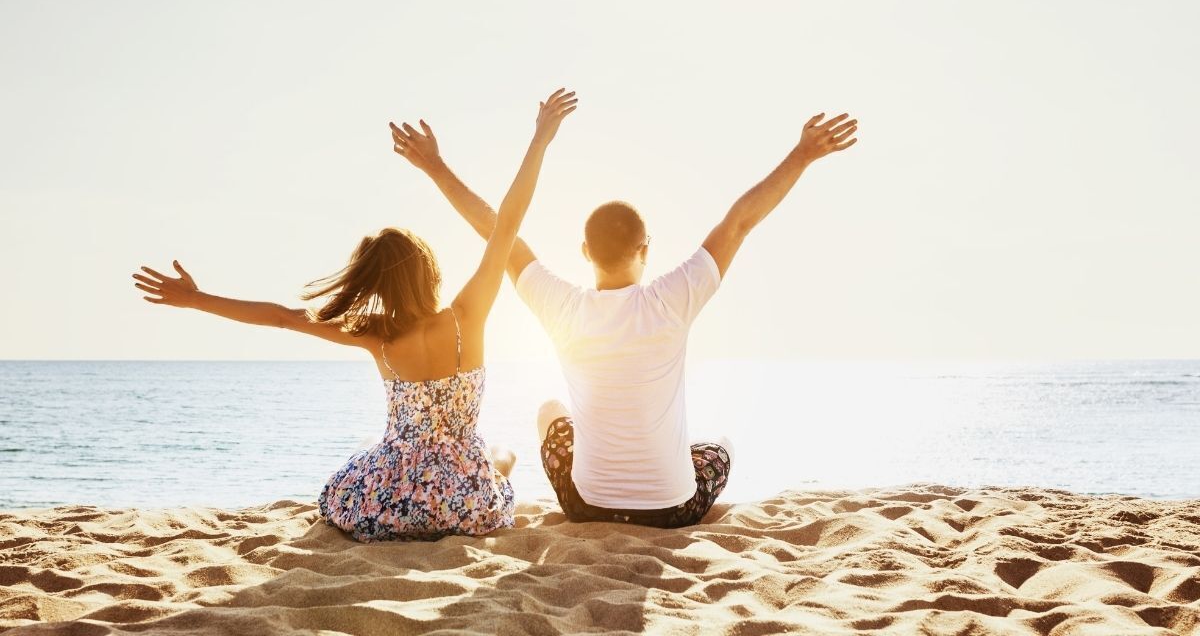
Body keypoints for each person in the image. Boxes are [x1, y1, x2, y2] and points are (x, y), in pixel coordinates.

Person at [132, 88, 579, 541]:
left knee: (370, 450)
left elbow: (282, 317)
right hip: (462, 504)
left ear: (375, 285)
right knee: (498, 454)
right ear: (429, 270)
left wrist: (197, 299)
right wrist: (537, 139)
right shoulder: (468, 315)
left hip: (390, 504)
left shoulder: (374, 333)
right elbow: (507, 222)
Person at [391, 108, 858, 527]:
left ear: (584, 252)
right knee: (719, 447)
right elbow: (738, 221)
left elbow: (495, 229)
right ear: (645, 250)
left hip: (585, 506)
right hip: (674, 512)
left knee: (550, 412)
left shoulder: (562, 306)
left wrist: (435, 165)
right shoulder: (674, 298)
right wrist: (802, 154)